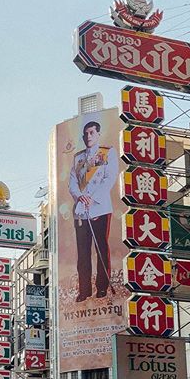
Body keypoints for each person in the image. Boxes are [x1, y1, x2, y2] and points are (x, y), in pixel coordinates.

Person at [68, 120, 120, 302]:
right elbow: (72, 182)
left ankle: (102, 287)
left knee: (101, 248)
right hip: (81, 209)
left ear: (98, 134)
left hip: (100, 206)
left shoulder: (107, 152)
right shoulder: (78, 158)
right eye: (86, 133)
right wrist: (79, 196)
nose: (88, 136)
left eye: (92, 133)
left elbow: (110, 178)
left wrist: (92, 196)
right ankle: (84, 290)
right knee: (82, 252)